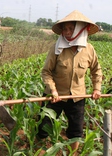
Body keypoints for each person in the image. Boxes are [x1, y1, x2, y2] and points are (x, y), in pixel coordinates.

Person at [36, 10, 103, 155]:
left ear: (79, 29)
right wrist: (53, 90)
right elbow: (46, 72)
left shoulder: (89, 50)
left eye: (70, 28)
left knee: (76, 131)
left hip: (78, 97)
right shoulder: (56, 48)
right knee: (44, 127)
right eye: (64, 29)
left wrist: (97, 89)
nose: (66, 32)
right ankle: (36, 149)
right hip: (55, 96)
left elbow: (96, 70)